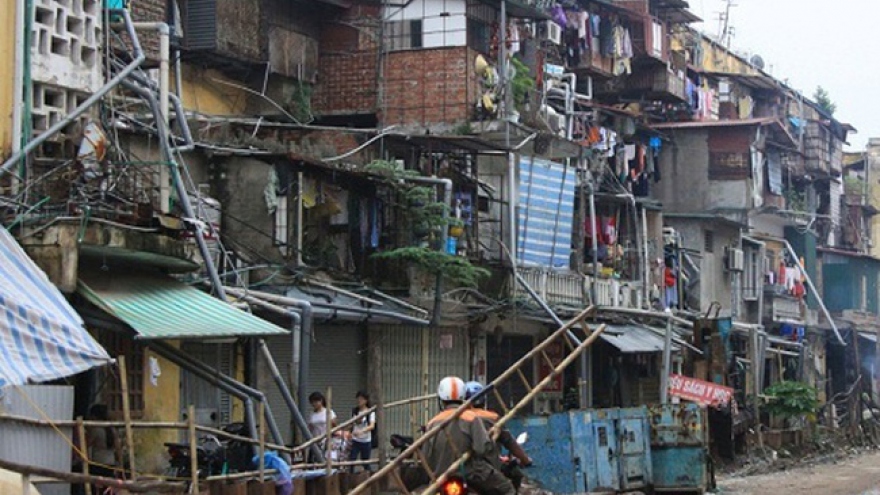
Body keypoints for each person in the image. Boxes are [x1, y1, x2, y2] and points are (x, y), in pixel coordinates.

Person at [422, 377, 516, 495]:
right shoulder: (472, 418)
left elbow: (426, 457)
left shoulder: (432, 423)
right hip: (472, 474)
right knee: (507, 489)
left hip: (442, 476)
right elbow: (481, 449)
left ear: (440, 399)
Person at [464, 381, 531, 491]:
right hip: (486, 470)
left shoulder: (458, 418)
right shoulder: (493, 418)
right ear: (484, 399)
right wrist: (525, 460)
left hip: (461, 469)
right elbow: (509, 442)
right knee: (509, 487)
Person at [85, 404, 119, 495]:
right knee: (108, 488)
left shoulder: (96, 430)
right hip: (110, 463)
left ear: (95, 416)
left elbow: (86, 444)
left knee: (97, 489)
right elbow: (118, 448)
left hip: (98, 463)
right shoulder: (112, 430)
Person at [349, 391, 376, 472]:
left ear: (366, 400)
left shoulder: (370, 412)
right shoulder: (354, 411)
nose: (359, 401)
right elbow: (352, 423)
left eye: (361, 399)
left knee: (365, 462)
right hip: (355, 440)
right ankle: (350, 476)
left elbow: (372, 426)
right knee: (351, 460)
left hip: (366, 441)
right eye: (358, 399)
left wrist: (362, 431)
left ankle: (370, 474)